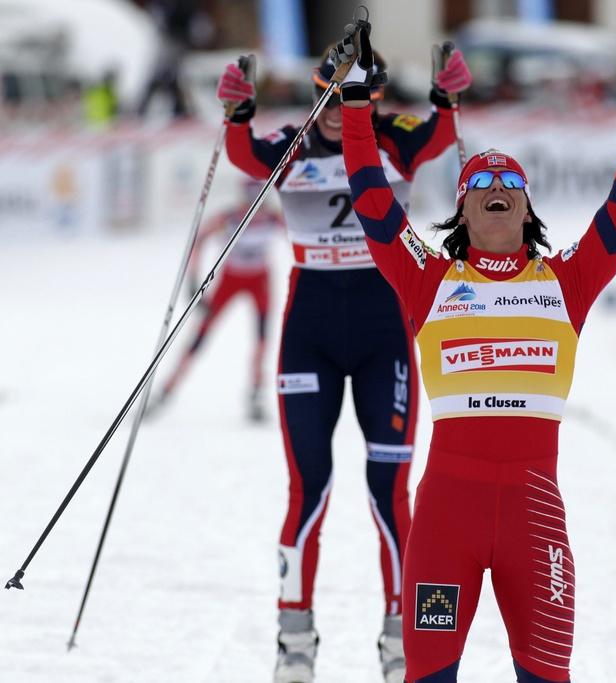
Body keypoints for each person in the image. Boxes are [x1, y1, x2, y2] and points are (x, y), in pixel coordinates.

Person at [337, 22, 616, 682]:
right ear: (462, 212)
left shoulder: (565, 279)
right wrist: (353, 106)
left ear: (526, 209)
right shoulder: (429, 278)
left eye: (509, 184)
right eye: (481, 182)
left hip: (534, 518)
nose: (496, 186)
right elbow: (375, 205)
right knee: (426, 672)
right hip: (443, 525)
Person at [216, 40, 470, 683]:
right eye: (328, 94)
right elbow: (242, 153)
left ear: (375, 99)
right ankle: (294, 642)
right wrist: (237, 110)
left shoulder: (396, 139)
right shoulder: (291, 143)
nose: (338, 109)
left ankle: (399, 642)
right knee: (310, 490)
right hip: (311, 331)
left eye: (354, 96)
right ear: (316, 89)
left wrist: (446, 91)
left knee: (391, 496)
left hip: (385, 330)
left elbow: (443, 131)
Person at [153, 178, 281, 421]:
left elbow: (298, 237)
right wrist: (193, 279)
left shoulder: (272, 218)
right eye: (250, 197)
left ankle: (256, 396)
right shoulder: (231, 216)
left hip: (260, 280)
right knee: (200, 335)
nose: (254, 204)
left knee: (262, 338)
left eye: (259, 197)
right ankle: (166, 390)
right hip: (230, 279)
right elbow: (199, 239)